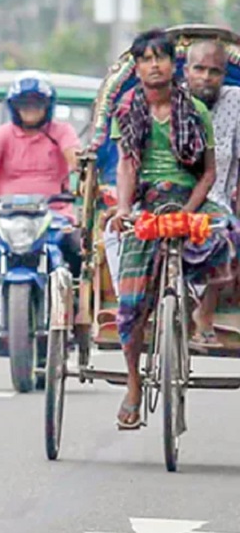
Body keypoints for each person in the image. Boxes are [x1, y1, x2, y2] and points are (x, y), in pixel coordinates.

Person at [108, 28, 237, 430]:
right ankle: (132, 384)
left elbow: (210, 172)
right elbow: (127, 164)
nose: (153, 65)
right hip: (146, 200)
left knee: (227, 234)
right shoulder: (128, 107)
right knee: (129, 308)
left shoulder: (194, 109)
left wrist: (191, 209)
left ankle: (198, 304)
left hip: (191, 195)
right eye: (145, 59)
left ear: (172, 64)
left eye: (160, 57)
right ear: (139, 66)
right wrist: (125, 209)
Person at [0, 72, 83, 345]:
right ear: (14, 107)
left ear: (48, 106)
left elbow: (75, 159)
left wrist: (82, 180)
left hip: (55, 212)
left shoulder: (62, 132)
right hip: (9, 214)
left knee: (75, 247)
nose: (30, 109)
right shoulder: (2, 135)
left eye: (37, 103)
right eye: (24, 104)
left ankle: (78, 309)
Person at [186, 40, 240, 212]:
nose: (206, 77)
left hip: (216, 209)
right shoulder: (171, 102)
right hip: (169, 202)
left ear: (224, 75)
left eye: (214, 71)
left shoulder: (235, 101)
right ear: (186, 71)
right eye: (199, 69)